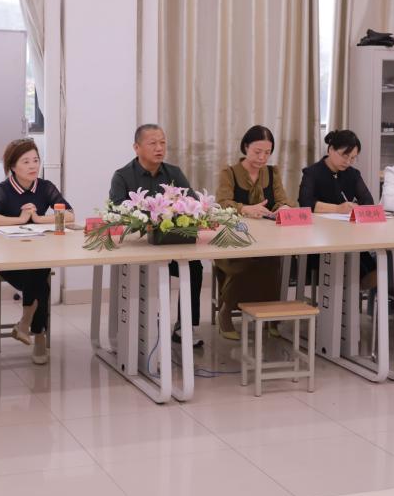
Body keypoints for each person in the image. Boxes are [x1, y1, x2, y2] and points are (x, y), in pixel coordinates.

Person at [109, 124, 204, 347]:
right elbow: (117, 213)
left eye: (162, 142)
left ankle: (185, 326)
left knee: (194, 267)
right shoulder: (122, 176)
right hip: (137, 250)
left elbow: (191, 203)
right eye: (153, 143)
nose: (159, 148)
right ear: (137, 147)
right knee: (150, 274)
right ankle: (143, 326)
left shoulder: (174, 173)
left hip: (169, 244)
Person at [0, 138, 72, 365]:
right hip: (8, 261)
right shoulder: (2, 189)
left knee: (39, 269)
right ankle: (37, 335)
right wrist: (20, 219)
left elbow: (70, 214)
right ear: (13, 166)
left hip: (37, 255)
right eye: (26, 162)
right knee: (40, 279)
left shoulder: (45, 187)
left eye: (35, 160)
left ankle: (27, 325)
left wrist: (39, 219)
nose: (33, 166)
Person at [213, 126, 295, 340]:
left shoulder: (272, 172)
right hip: (235, 239)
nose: (262, 158)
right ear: (245, 147)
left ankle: (270, 316)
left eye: (267, 153)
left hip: (266, 239)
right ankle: (226, 311)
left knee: (271, 260)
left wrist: (284, 208)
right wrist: (245, 209)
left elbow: (281, 200)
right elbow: (222, 204)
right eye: (257, 152)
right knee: (248, 261)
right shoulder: (229, 172)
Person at [298, 130, 377, 281]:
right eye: (344, 156)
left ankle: (357, 293)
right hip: (320, 239)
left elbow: (368, 202)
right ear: (330, 149)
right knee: (354, 272)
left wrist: (356, 208)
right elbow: (305, 203)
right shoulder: (312, 173)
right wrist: (337, 209)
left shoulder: (352, 174)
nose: (348, 162)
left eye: (352, 158)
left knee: (373, 270)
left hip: (349, 238)